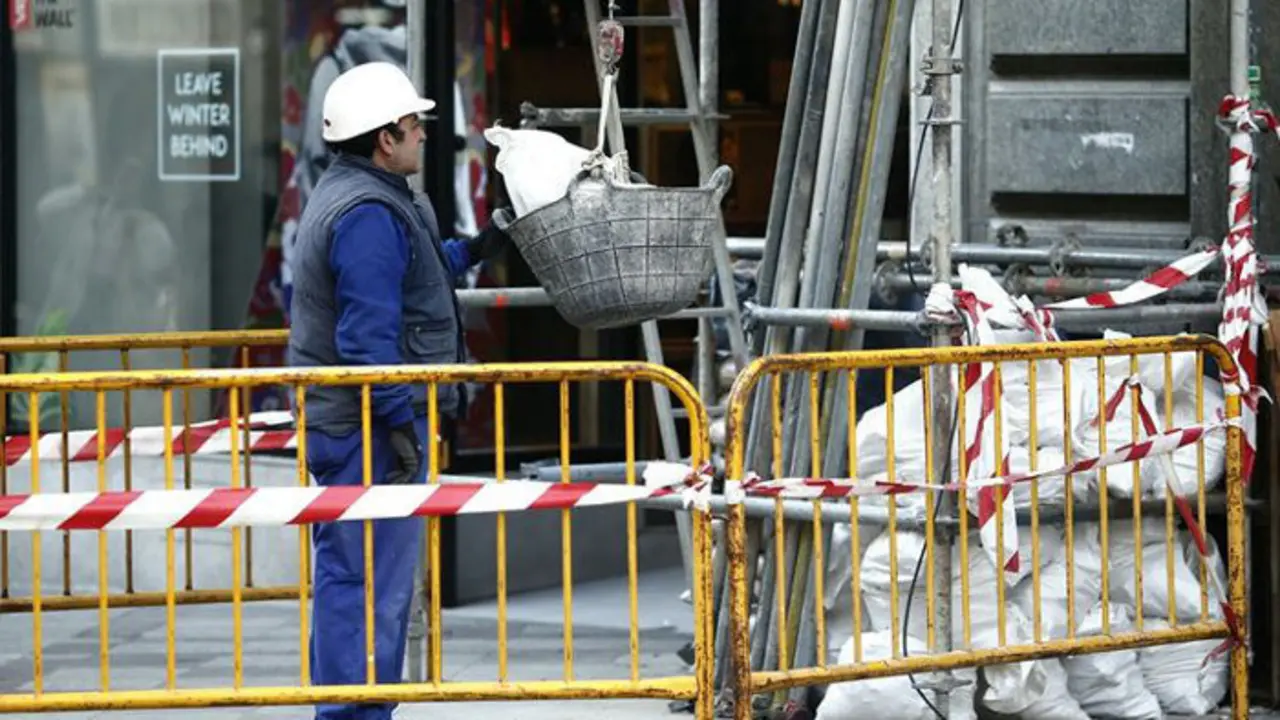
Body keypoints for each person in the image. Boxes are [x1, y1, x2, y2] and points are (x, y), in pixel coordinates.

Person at [286, 61, 508, 720]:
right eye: (414, 125)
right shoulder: (367, 215)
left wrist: (479, 247)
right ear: (385, 138)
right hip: (368, 430)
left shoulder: (374, 198)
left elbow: (417, 268)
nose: (423, 135)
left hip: (364, 426)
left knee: (359, 577)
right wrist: (401, 429)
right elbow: (367, 341)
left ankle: (355, 710)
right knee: (365, 582)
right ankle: (354, 715)